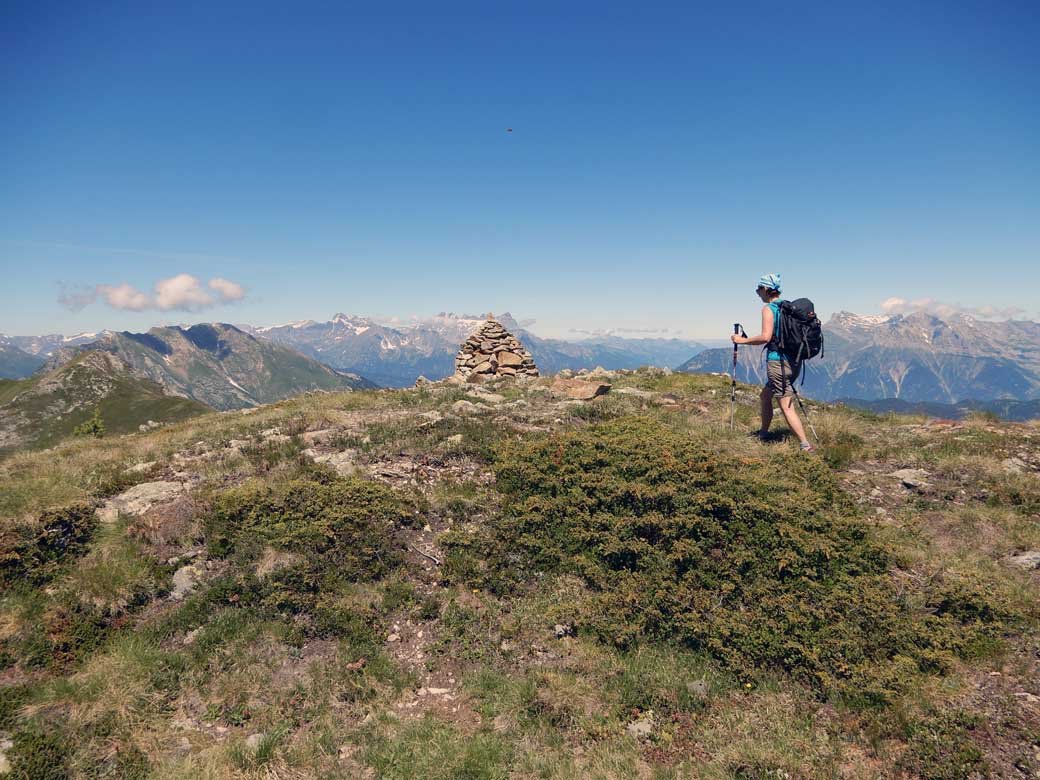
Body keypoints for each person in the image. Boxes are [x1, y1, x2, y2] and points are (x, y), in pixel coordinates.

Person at [730, 273, 814, 452]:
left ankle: (805, 445)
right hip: (794, 362)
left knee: (786, 406)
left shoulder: (769, 309)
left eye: (759, 289)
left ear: (767, 289)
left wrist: (741, 340)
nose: (757, 292)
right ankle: (764, 433)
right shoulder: (787, 307)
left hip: (778, 364)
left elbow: (765, 337)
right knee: (765, 396)